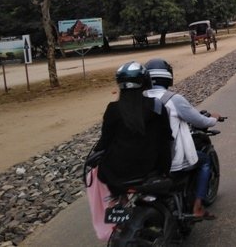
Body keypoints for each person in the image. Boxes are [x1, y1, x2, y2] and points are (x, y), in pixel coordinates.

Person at [144, 58, 221, 220]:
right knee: (205, 161)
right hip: (170, 159)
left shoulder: (138, 99)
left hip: (144, 159)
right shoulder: (173, 99)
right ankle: (198, 206)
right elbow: (199, 121)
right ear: (168, 77)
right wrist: (214, 119)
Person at [94, 61, 173, 195]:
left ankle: (120, 200)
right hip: (149, 169)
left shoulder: (112, 109)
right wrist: (165, 170)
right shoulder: (156, 106)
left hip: (115, 174)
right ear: (146, 82)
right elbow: (166, 138)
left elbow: (104, 142)